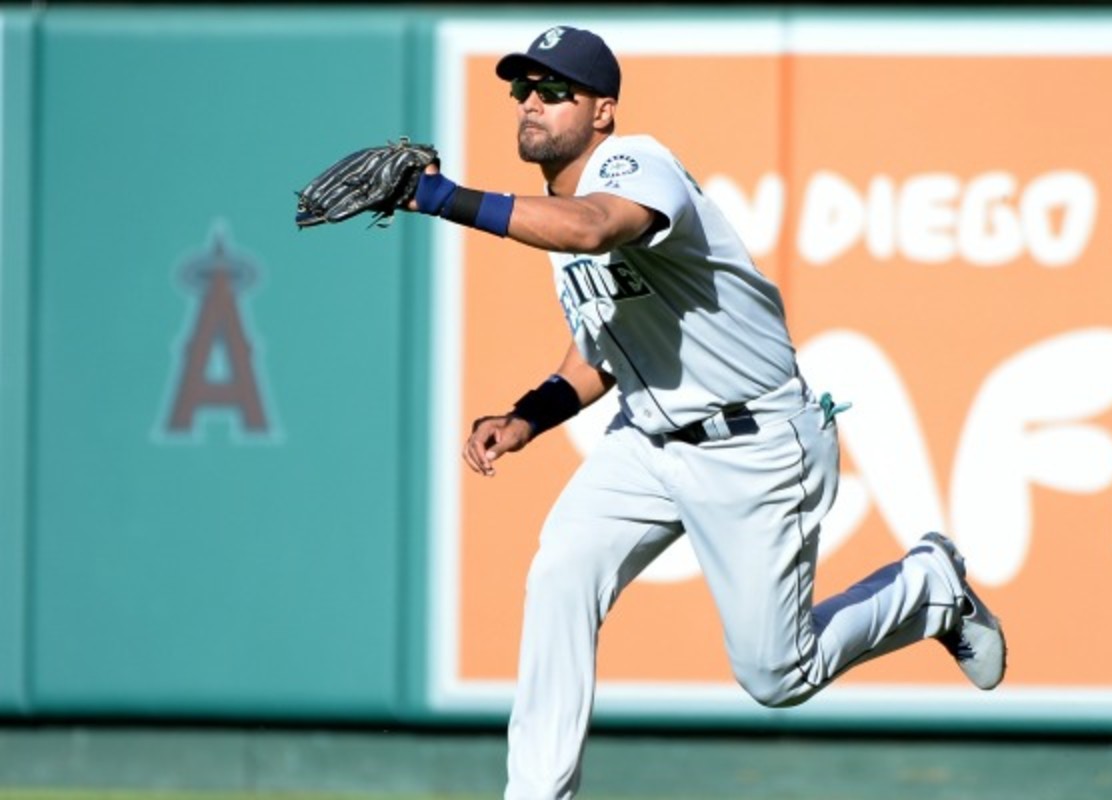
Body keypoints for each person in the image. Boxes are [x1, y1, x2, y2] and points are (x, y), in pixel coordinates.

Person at [409, 25, 1007, 800]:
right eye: (521, 89)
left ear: (602, 112)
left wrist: (438, 196)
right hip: (647, 446)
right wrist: (528, 416)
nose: (531, 103)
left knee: (776, 675)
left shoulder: (634, 164)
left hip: (753, 444)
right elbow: (598, 352)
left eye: (555, 91)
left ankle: (930, 586)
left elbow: (594, 226)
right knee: (561, 573)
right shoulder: (555, 217)